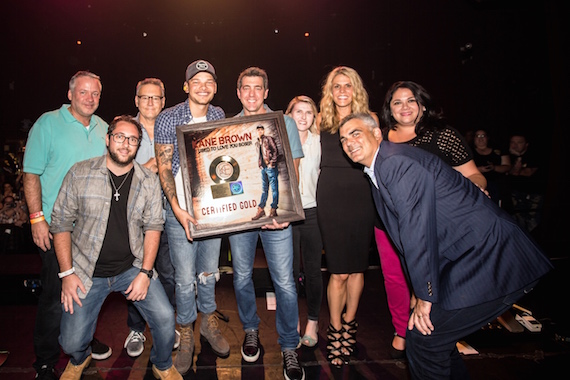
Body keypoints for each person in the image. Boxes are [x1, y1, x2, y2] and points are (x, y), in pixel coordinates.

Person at [339, 113, 552, 379]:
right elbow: (403, 241)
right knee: (432, 339)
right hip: (467, 257)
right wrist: (419, 291)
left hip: (493, 255)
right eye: (343, 139)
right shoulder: (378, 169)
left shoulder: (396, 163)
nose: (349, 142)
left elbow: (416, 232)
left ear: (377, 134)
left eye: (356, 133)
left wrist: (425, 296)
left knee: (425, 339)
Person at [50, 115, 181, 380]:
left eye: (132, 139)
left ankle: (163, 363)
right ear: (108, 139)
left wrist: (145, 273)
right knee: (71, 342)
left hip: (130, 267)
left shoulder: (148, 180)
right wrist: (66, 273)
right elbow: (61, 223)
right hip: (86, 271)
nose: (125, 144)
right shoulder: (80, 172)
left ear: (137, 145)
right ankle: (80, 357)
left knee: (166, 319)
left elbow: (154, 227)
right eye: (120, 137)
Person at [379, 80, 487, 358]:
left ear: (423, 105)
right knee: (401, 279)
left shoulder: (443, 135)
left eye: (410, 100)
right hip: (395, 224)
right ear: (389, 109)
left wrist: (477, 187)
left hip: (440, 225)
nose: (404, 107)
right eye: (397, 102)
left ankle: (434, 338)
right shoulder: (380, 138)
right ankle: (408, 331)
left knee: (436, 284)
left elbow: (473, 174)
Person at [22, 70, 111, 380]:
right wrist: (37, 219)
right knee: (53, 297)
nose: (90, 98)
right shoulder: (48, 124)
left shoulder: (103, 128)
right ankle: (45, 361)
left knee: (88, 291)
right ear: (71, 94)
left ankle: (80, 343)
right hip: (56, 228)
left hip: (91, 232)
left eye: (95, 94)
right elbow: (31, 172)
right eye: (84, 92)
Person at [228, 66, 305, 380]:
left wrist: (283, 213)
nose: (251, 93)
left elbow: (294, 173)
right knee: (242, 277)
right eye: (245, 87)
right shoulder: (228, 127)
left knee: (285, 283)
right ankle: (250, 330)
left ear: (266, 92)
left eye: (257, 88)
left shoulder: (283, 123)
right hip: (242, 218)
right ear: (238, 92)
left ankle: (289, 346)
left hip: (277, 219)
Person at [154, 60, 230, 375]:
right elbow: (163, 166)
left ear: (214, 86)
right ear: (186, 86)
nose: (202, 86)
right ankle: (186, 331)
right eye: (196, 81)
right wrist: (177, 208)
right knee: (184, 279)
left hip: (212, 209)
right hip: (179, 211)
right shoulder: (168, 117)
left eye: (208, 81)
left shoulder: (219, 115)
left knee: (209, 272)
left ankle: (208, 323)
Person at [315, 66, 378, 367]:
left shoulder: (370, 120)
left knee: (357, 269)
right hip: (330, 196)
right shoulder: (320, 120)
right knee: (338, 271)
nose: (342, 91)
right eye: (337, 86)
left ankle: (350, 323)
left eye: (348, 86)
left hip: (361, 195)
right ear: (330, 91)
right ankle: (335, 327)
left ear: (356, 90)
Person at [123, 77, 180, 357]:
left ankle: (166, 325)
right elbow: (116, 172)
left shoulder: (170, 128)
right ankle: (136, 328)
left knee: (169, 274)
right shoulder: (125, 130)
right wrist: (147, 167)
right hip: (136, 217)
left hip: (168, 212)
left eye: (156, 98)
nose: (150, 103)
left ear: (163, 101)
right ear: (136, 101)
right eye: (145, 97)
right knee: (135, 273)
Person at [285, 95, 322, 348]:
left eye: (309, 112)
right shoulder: (280, 139)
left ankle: (312, 322)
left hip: (313, 213)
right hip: (288, 213)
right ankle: (292, 322)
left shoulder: (321, 143)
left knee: (312, 271)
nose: (303, 116)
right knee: (289, 272)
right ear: (289, 114)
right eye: (298, 111)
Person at [506, 133, 544, 233]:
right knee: (517, 222)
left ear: (526, 144)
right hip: (514, 193)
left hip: (533, 193)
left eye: (519, 142)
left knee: (533, 222)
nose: (515, 145)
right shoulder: (507, 155)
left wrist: (519, 157)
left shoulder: (534, 155)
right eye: (512, 142)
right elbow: (510, 172)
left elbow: (526, 172)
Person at [472, 128, 511, 205]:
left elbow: (507, 166)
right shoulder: (469, 151)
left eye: (483, 136)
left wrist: (494, 168)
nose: (480, 139)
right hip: (478, 184)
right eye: (478, 136)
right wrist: (479, 169)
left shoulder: (498, 150)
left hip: (498, 184)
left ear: (487, 138)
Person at [251, 125, 279, 220]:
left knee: (274, 189)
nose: (259, 132)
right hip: (263, 168)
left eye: (261, 130)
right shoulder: (256, 143)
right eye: (258, 130)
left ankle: (273, 209)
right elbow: (259, 155)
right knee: (264, 190)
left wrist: (272, 163)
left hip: (270, 167)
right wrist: (260, 165)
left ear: (263, 131)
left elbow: (275, 151)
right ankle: (261, 209)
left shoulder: (268, 139)